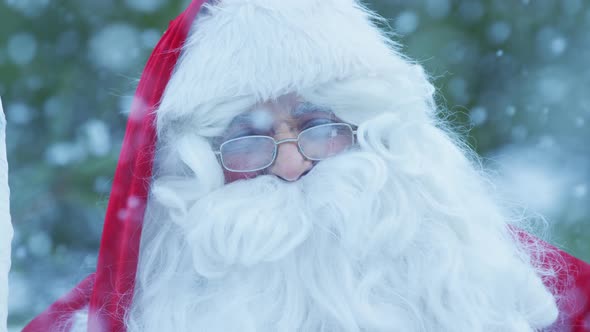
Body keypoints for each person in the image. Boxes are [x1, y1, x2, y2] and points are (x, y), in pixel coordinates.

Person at [23, 0, 590, 331]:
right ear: (198, 169)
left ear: (383, 136)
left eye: (320, 127)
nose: (292, 165)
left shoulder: (528, 296)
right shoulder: (119, 315)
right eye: (249, 141)